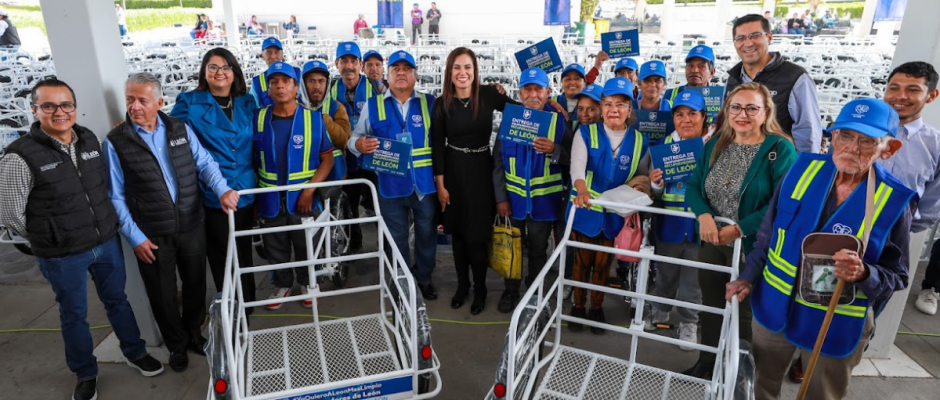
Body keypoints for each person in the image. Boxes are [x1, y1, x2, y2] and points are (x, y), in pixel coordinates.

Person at [727, 98, 916, 399]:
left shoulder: (894, 200)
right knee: (759, 384)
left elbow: (898, 275)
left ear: (888, 149)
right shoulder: (801, 169)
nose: (852, 148)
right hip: (775, 306)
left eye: (867, 141)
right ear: (831, 137)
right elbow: (768, 236)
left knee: (822, 393)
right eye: (845, 136)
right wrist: (747, 276)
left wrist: (864, 272)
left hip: (836, 320)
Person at [0, 79, 164, 400]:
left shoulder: (88, 139)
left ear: (75, 107)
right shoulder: (20, 156)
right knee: (74, 313)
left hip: (104, 242)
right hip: (62, 254)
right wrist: (49, 238)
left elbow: (103, 185)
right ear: (35, 110)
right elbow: (10, 213)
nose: (59, 112)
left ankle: (134, 351)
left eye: (66, 105)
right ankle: (85, 372)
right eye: (49, 106)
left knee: (117, 300)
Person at [105, 72, 238, 373]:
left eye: (142, 100)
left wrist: (222, 189)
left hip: (191, 224)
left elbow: (205, 162)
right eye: (129, 100)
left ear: (159, 102)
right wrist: (135, 237)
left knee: (194, 285)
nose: (135, 107)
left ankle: (193, 334)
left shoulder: (180, 129)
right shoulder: (116, 142)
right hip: (152, 234)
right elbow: (115, 195)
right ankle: (175, 346)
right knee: (163, 295)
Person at [682, 82, 797, 379]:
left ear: (766, 112)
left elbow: (781, 202)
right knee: (711, 304)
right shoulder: (717, 142)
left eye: (751, 108)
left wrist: (739, 229)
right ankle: (708, 362)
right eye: (735, 107)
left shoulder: (779, 148)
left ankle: (742, 372)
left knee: (744, 311)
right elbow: (694, 186)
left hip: (751, 245)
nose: (742, 114)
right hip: (712, 239)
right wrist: (704, 215)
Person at [169, 48, 258, 318]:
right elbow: (166, 130)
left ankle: (248, 303)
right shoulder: (190, 101)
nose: (219, 72)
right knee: (220, 251)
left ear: (234, 73)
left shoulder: (246, 102)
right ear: (204, 72)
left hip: (245, 186)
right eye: (213, 67)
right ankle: (229, 303)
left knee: (242, 247)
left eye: (225, 67)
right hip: (211, 189)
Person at [431, 47, 519, 314]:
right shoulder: (441, 102)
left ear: (475, 70)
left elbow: (520, 112)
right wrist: (441, 186)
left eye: (467, 67)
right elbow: (437, 146)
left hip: (482, 169)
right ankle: (462, 287)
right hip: (454, 170)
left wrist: (548, 104)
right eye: (457, 67)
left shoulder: (490, 94)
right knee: (458, 235)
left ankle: (480, 288)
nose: (462, 72)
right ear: (449, 71)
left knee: (477, 238)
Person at [347, 51, 439, 301]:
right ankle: (401, 281)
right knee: (394, 237)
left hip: (424, 186)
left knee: (426, 234)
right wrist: (359, 145)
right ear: (387, 75)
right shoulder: (373, 105)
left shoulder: (430, 103)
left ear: (415, 74)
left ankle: (424, 278)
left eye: (407, 68)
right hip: (389, 185)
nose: (401, 72)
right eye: (395, 68)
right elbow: (353, 138)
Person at [568, 77, 651, 334]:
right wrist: (581, 190)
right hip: (587, 209)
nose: (613, 110)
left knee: (604, 264)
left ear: (629, 109)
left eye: (620, 104)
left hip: (615, 212)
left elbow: (642, 176)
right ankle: (578, 306)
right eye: (608, 104)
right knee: (581, 262)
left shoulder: (640, 141)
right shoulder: (585, 132)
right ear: (602, 107)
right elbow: (577, 167)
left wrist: (640, 188)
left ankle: (597, 306)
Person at [253, 61, 335, 310]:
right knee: (274, 244)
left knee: (306, 243)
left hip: (304, 199)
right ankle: (282, 282)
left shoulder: (313, 120)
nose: (280, 87)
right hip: (269, 198)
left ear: (296, 87)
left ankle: (308, 281)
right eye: (274, 82)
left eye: (285, 82)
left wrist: (309, 190)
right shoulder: (257, 119)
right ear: (267, 88)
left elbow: (328, 158)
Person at [492, 67, 566, 313]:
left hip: (545, 204)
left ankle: (534, 293)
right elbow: (498, 162)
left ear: (548, 92)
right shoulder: (510, 119)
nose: (533, 94)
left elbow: (573, 159)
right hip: (513, 202)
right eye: (527, 88)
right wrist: (501, 198)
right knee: (511, 249)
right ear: (520, 92)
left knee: (537, 250)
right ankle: (510, 291)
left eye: (538, 89)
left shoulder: (560, 122)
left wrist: (554, 149)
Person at [645, 90, 714, 349]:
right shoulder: (662, 148)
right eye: (680, 114)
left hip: (700, 227)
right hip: (670, 223)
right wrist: (655, 183)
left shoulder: (713, 148)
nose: (686, 120)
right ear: (673, 118)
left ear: (703, 117)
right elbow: (656, 193)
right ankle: (659, 309)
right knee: (665, 272)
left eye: (692, 114)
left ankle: (688, 322)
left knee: (692, 280)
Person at [877, 62, 940, 316]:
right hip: (840, 229)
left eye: (913, 90)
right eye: (894, 88)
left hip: (891, 242)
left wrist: (899, 228)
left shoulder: (934, 146)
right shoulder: (858, 131)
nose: (900, 96)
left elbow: (931, 203)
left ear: (931, 95)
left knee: (866, 314)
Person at [725, 14, 821, 154]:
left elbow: (808, 133)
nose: (748, 43)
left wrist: (800, 171)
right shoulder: (733, 78)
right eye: (741, 38)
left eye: (755, 35)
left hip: (779, 168)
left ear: (769, 37)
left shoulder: (795, 78)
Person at [331, 41, 378, 254]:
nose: (348, 65)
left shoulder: (376, 87)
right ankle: (353, 243)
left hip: (374, 158)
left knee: (379, 205)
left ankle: (386, 248)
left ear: (360, 64)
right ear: (336, 64)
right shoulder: (330, 90)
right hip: (345, 159)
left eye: (353, 61)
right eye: (344, 61)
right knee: (349, 204)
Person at [301, 59, 351, 191]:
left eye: (321, 81)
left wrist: (323, 120)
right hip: (302, 177)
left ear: (327, 83)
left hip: (334, 176)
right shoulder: (293, 107)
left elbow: (344, 141)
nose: (317, 86)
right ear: (303, 83)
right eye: (311, 81)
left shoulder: (336, 107)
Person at [249, 37, 303, 108]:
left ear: (282, 54)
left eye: (277, 52)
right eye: (269, 52)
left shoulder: (298, 74)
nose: (273, 56)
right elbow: (252, 110)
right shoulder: (257, 82)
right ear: (262, 56)